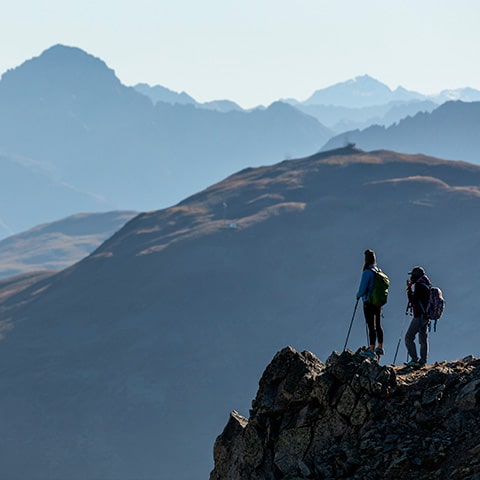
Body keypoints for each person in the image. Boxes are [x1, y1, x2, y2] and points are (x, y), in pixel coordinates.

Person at [356, 249, 384, 359]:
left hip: (369, 301)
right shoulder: (378, 270)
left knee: (371, 326)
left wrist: (358, 295)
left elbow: (362, 288)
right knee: (378, 325)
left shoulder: (367, 271)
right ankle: (380, 347)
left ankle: (371, 350)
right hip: (378, 302)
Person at [404, 266, 431, 368]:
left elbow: (413, 300)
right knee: (423, 339)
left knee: (409, 337)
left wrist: (409, 289)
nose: (412, 278)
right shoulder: (426, 284)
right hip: (426, 316)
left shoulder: (419, 285)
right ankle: (423, 361)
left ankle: (414, 359)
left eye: (413, 275)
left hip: (419, 316)